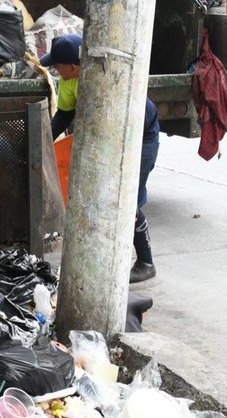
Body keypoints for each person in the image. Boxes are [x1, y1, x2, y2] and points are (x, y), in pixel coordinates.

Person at [42, 34, 160, 283]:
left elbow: (122, 118)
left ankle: (146, 262)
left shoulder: (102, 78)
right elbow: (63, 116)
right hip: (111, 139)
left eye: (57, 65)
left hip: (140, 136)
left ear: (73, 66)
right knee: (105, 200)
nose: (54, 69)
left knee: (128, 204)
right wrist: (40, 144)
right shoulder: (68, 81)